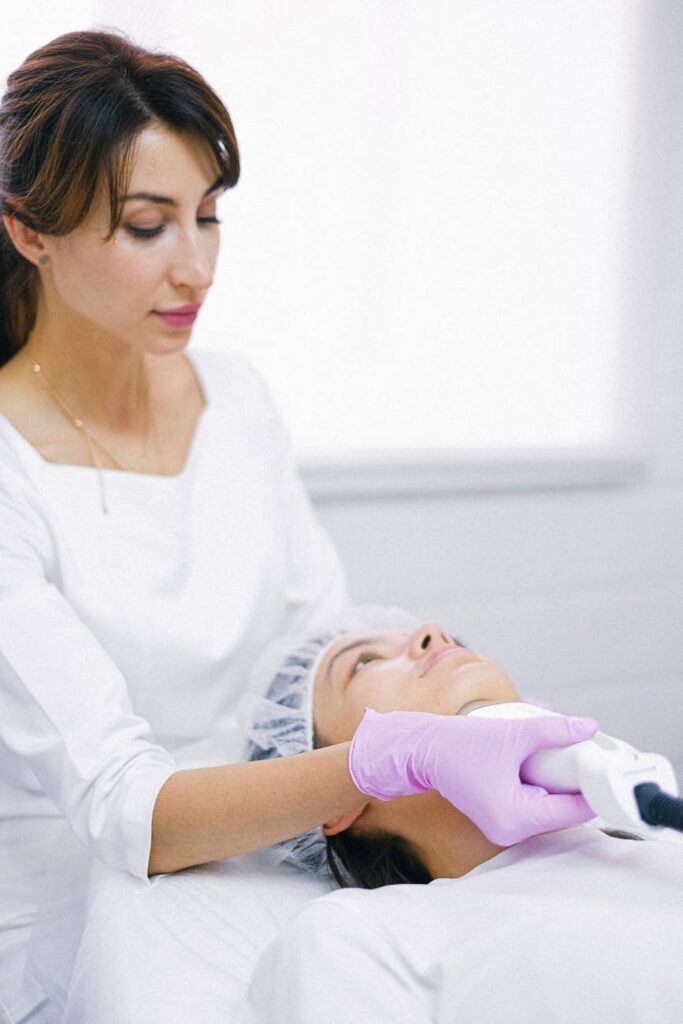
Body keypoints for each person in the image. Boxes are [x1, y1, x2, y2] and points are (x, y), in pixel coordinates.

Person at [0, 29, 599, 1023]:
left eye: (208, 216)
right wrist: (381, 760)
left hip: (270, 863)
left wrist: (439, 693)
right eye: (148, 226)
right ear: (29, 230)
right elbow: (120, 805)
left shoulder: (232, 399)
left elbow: (318, 639)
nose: (195, 266)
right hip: (66, 933)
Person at [238, 607, 683, 1023]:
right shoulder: (360, 938)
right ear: (329, 802)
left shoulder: (661, 836)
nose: (433, 632)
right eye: (364, 662)